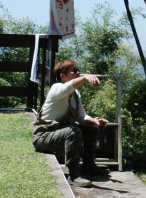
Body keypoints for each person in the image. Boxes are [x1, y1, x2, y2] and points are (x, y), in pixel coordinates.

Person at [33, 59, 110, 188]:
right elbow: (68, 87)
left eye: (78, 71)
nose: (77, 73)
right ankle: (74, 175)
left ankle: (89, 166)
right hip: (44, 137)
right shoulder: (56, 88)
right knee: (73, 131)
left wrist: (94, 121)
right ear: (62, 76)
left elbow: (81, 116)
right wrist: (85, 78)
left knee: (91, 129)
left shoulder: (75, 95)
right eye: (74, 71)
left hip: (61, 134)